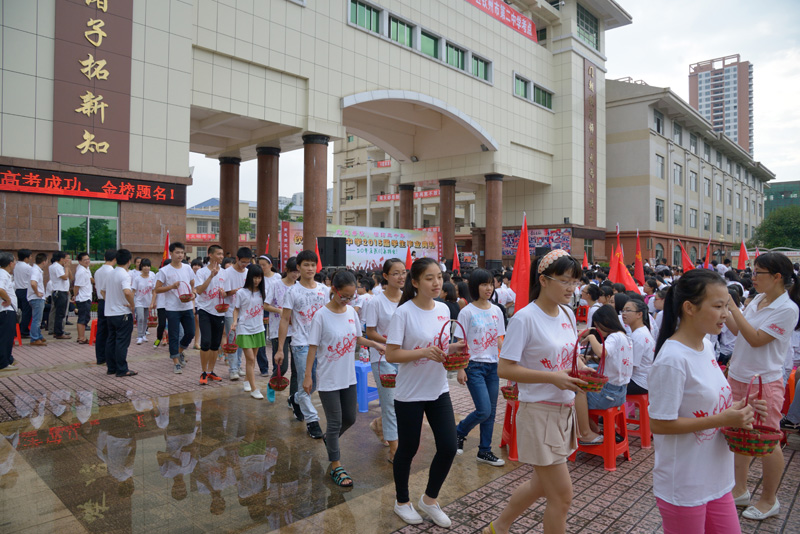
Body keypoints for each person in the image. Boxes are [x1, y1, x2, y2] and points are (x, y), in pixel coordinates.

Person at [649, 269, 765, 533]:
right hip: (685, 484)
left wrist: (740, 409)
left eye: (727, 306)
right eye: (718, 306)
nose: (726, 314)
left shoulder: (706, 347)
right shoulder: (673, 360)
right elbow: (659, 424)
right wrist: (723, 419)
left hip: (717, 478)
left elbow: (710, 407)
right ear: (689, 308)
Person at [482, 249, 586, 534]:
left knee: (540, 486)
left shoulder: (566, 312)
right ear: (543, 280)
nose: (571, 288)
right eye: (565, 280)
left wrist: (579, 366)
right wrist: (552, 378)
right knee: (562, 498)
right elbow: (505, 369)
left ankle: (498, 527)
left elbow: (567, 354)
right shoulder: (524, 318)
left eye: (575, 282)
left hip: (564, 410)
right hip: (538, 411)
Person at [385, 257, 466, 528]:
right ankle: (402, 502)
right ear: (416, 282)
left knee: (449, 446)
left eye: (439, 278)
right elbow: (392, 353)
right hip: (409, 393)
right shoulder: (404, 312)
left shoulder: (443, 309)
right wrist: (424, 352)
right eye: (429, 278)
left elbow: (439, 346)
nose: (436, 283)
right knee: (408, 449)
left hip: (438, 389)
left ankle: (429, 500)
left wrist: (453, 349)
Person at [726, 252, 800, 520]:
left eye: (759, 273)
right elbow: (738, 331)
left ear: (777, 277)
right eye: (753, 272)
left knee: (768, 440)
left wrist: (734, 307)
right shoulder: (758, 299)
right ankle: (740, 490)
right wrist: (727, 310)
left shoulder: (787, 309)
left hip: (764, 381)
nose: (753, 277)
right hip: (739, 375)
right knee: (740, 433)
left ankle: (769, 500)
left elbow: (757, 339)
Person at [304, 270, 386, 487]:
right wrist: (307, 376)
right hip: (328, 377)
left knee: (350, 418)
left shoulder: (351, 312)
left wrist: (376, 344)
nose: (348, 300)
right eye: (344, 296)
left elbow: (358, 338)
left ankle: (330, 441)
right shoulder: (321, 315)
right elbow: (312, 347)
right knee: (334, 422)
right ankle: (336, 465)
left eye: (351, 297)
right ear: (334, 290)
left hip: (348, 376)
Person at [455, 268, 506, 466]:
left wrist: (510, 359)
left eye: (491, 284)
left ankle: (484, 451)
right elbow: (461, 342)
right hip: (473, 366)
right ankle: (460, 431)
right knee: (484, 410)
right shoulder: (466, 312)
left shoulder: (497, 310)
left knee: (491, 412)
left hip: (493, 366)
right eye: (484, 284)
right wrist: (460, 368)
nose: (489, 288)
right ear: (475, 287)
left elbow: (500, 339)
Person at [276, 250, 330, 439]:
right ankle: (312, 421)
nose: (310, 268)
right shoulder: (292, 291)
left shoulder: (325, 290)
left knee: (313, 382)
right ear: (298, 267)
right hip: (301, 343)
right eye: (306, 265)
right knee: (305, 383)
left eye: (313, 265)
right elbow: (284, 319)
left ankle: (295, 399)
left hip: (322, 344)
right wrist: (280, 348)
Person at [365, 258, 406, 462]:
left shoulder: (408, 299)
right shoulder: (375, 301)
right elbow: (370, 332)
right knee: (389, 404)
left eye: (403, 272)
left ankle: (380, 425)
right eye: (396, 273)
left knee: (403, 402)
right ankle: (394, 451)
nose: (401, 277)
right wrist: (390, 342)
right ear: (386, 276)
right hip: (382, 359)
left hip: (405, 357)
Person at [573, 306, 632, 445]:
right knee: (586, 379)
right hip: (620, 393)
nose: (598, 329)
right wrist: (588, 358)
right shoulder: (625, 337)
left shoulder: (614, 337)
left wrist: (591, 336)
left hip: (607, 396)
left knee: (576, 390)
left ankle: (586, 433)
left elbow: (601, 352)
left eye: (598, 326)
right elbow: (610, 359)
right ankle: (594, 428)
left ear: (605, 322)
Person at [155, 242, 196, 374]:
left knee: (191, 332)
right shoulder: (164, 271)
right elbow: (157, 289)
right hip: (172, 308)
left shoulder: (187, 268)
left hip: (187, 305)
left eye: (182, 253)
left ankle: (178, 352)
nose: (180, 255)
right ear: (171, 253)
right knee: (173, 335)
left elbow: (192, 283)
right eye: (177, 252)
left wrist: (193, 293)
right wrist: (171, 287)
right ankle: (176, 363)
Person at [265, 257, 299, 401]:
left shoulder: (299, 286)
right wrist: (280, 311)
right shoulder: (275, 285)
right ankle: (271, 384)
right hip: (278, 329)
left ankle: (292, 398)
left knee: (297, 368)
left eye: (298, 272)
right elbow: (266, 305)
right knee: (282, 366)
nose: (295, 275)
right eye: (293, 272)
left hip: (296, 330)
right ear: (286, 270)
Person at [232, 264, 268, 400]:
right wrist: (235, 321)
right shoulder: (241, 292)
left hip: (258, 328)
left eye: (259, 277)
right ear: (249, 277)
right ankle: (254, 388)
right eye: (254, 277)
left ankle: (247, 380)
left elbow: (266, 306)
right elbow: (236, 309)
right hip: (244, 328)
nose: (257, 280)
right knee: (251, 359)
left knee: (251, 359)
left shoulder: (262, 292)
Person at [194, 245, 226, 386]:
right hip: (205, 310)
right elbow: (199, 290)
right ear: (210, 255)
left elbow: (228, 291)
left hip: (220, 311)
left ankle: (211, 371)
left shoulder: (225, 272)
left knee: (215, 344)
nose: (221, 256)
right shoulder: (201, 272)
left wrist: (225, 293)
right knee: (205, 342)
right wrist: (211, 276)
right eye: (218, 254)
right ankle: (203, 371)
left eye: (222, 254)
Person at [104, 249, 137, 377]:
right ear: (129, 261)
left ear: (116, 260)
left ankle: (111, 368)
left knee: (111, 340)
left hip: (110, 313)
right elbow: (127, 292)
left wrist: (112, 301)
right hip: (122, 313)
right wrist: (132, 305)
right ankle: (122, 369)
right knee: (122, 342)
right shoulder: (124, 274)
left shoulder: (111, 274)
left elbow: (103, 291)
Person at [222, 247, 253, 380]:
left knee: (241, 340)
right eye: (243, 262)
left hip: (245, 312)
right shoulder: (227, 273)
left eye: (247, 262)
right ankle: (233, 369)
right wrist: (237, 291)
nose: (245, 265)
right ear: (237, 259)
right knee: (232, 339)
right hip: (230, 310)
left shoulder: (248, 272)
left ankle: (239, 366)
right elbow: (225, 293)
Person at [622, 299, 654, 396]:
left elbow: (631, 365)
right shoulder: (641, 331)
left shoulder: (638, 336)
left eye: (628, 310)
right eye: (623, 310)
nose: (624, 314)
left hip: (639, 382)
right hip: (645, 380)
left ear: (639, 314)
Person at [256, 255, 279, 376]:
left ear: (270, 265)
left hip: (275, 311)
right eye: (259, 265)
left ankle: (277, 368)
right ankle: (263, 367)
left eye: (263, 265)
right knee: (261, 340)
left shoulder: (278, 278)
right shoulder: (258, 279)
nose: (261, 267)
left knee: (276, 339)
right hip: (261, 311)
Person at [94, 250, 116, 364]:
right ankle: (109, 358)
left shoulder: (98, 271)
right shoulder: (112, 272)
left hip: (101, 302)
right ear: (115, 259)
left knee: (101, 331)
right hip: (109, 302)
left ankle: (100, 357)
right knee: (110, 332)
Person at [131, 259, 156, 345]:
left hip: (148, 302)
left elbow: (154, 291)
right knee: (140, 317)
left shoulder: (152, 277)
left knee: (145, 319)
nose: (146, 268)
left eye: (148, 266)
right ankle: (139, 336)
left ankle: (144, 334)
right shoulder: (137, 278)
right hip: (139, 301)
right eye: (144, 266)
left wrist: (152, 302)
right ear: (141, 267)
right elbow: (133, 291)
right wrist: (131, 303)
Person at [0, 252, 17, 372]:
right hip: (6, 310)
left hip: (8, 310)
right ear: (10, 263)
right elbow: (0, 289)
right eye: (14, 261)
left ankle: (8, 359)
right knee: (5, 337)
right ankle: (3, 363)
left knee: (8, 336)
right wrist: (8, 299)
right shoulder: (2, 274)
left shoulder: (5, 274)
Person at [48, 251, 71, 339]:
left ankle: (57, 331)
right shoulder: (57, 267)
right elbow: (65, 277)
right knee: (60, 313)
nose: (68, 260)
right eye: (67, 258)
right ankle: (58, 332)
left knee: (59, 313)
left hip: (61, 291)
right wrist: (66, 268)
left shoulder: (55, 266)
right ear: (61, 259)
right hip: (60, 292)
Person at [27, 253, 48, 346]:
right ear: (44, 262)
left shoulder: (37, 270)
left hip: (36, 298)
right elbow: (33, 283)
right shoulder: (36, 270)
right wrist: (37, 293)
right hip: (36, 298)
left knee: (37, 318)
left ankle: (38, 336)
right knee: (37, 319)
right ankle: (34, 338)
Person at [73, 252, 93, 344]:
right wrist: (74, 295)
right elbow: (76, 286)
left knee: (85, 317)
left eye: (88, 259)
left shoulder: (86, 268)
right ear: (80, 261)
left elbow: (90, 279)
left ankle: (80, 336)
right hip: (83, 298)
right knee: (82, 318)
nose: (87, 261)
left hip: (87, 296)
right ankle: (81, 338)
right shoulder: (81, 271)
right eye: (85, 260)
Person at [13, 249, 32, 338]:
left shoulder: (15, 265)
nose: (31, 258)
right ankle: (23, 330)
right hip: (25, 290)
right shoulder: (28, 267)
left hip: (17, 290)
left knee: (19, 311)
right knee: (26, 312)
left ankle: (18, 329)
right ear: (26, 258)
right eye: (30, 256)